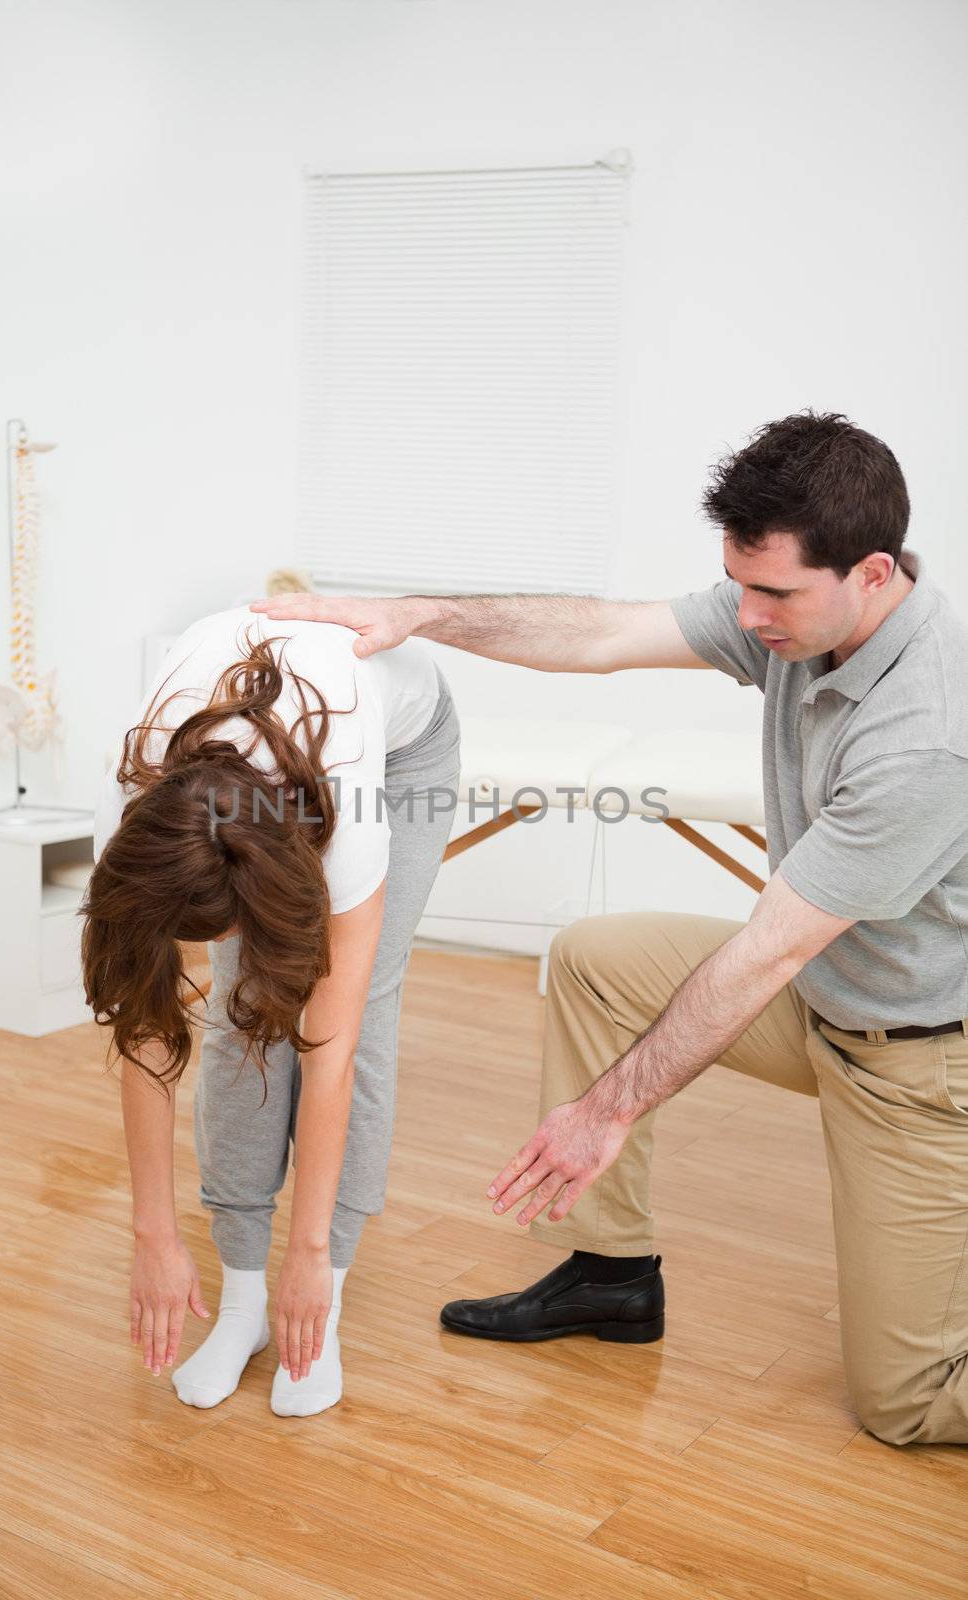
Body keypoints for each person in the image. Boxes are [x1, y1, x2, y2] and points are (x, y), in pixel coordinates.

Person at [249, 410, 968, 1447]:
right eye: (740, 583)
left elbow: (768, 948)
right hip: (827, 1001)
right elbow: (597, 634)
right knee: (595, 961)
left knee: (904, 1400)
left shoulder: (924, 736)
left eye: (771, 592)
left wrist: (604, 1109)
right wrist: (417, 613)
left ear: (869, 571)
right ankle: (610, 1276)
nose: (747, 612)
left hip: (917, 1059)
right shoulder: (792, 617)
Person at [83, 605, 461, 1417]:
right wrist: (152, 1232)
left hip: (397, 753)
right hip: (251, 778)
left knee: (358, 1011)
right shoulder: (137, 813)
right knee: (242, 1006)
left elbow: (328, 1051)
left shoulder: (346, 823)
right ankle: (244, 1299)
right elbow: (144, 1027)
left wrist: (311, 1255)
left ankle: (315, 1308)